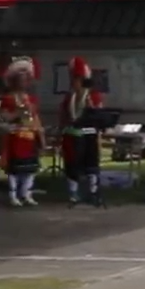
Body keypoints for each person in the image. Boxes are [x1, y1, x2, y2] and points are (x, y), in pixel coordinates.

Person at [57, 56, 105, 205]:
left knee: (91, 164)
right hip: (73, 135)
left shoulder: (93, 96)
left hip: (90, 134)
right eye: (75, 78)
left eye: (80, 78)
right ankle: (73, 193)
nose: (77, 81)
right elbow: (64, 116)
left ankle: (93, 192)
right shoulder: (69, 97)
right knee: (73, 164)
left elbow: (99, 114)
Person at [0, 58, 43, 207]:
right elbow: (4, 118)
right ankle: (13, 195)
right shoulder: (8, 99)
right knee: (14, 169)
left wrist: (41, 136)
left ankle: (26, 193)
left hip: (29, 136)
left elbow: (35, 118)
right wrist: (18, 112)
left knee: (30, 168)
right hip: (15, 137)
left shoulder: (31, 99)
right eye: (21, 80)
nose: (24, 83)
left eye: (26, 79)